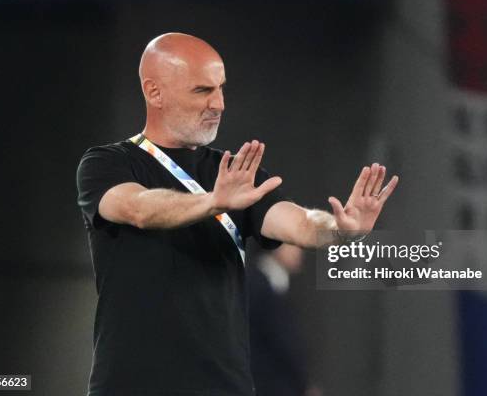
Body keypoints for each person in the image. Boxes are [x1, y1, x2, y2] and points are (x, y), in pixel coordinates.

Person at [76, 32, 398, 396]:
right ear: (155, 93)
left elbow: (301, 224)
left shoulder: (235, 174)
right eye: (202, 90)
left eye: (221, 88)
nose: (219, 103)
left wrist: (342, 230)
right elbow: (137, 208)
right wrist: (214, 202)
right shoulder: (108, 163)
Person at [248, 244, 321, 396]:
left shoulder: (273, 285)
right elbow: (282, 345)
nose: (300, 251)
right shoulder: (258, 286)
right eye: (293, 245)